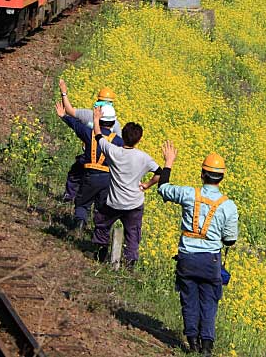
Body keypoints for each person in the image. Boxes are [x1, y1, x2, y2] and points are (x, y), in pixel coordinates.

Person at [157, 142, 239, 356]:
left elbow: (163, 189)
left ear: (202, 174)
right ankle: (206, 346)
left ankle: (191, 341)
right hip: (210, 260)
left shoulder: (188, 194)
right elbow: (230, 239)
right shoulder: (228, 206)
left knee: (189, 298)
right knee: (209, 301)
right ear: (221, 178)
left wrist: (169, 163)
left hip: (187, 257)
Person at [91, 106, 161, 265]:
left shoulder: (113, 151)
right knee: (133, 234)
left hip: (114, 201)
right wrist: (147, 185)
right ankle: (130, 263)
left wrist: (96, 120)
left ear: (122, 135)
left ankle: (100, 253)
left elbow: (98, 137)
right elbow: (160, 173)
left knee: (102, 224)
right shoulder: (143, 157)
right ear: (139, 139)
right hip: (134, 204)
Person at [56, 98, 124, 233]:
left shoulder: (89, 133)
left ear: (99, 119)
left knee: (82, 202)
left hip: (89, 176)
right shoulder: (118, 141)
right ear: (112, 123)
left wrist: (63, 116)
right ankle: (98, 234)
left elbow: (76, 125)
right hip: (107, 179)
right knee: (102, 207)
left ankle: (80, 222)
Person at [59, 79, 121, 203]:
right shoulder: (116, 124)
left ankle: (69, 197)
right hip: (105, 164)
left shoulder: (88, 114)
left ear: (98, 102)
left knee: (75, 174)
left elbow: (69, 111)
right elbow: (120, 147)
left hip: (87, 157)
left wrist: (64, 93)